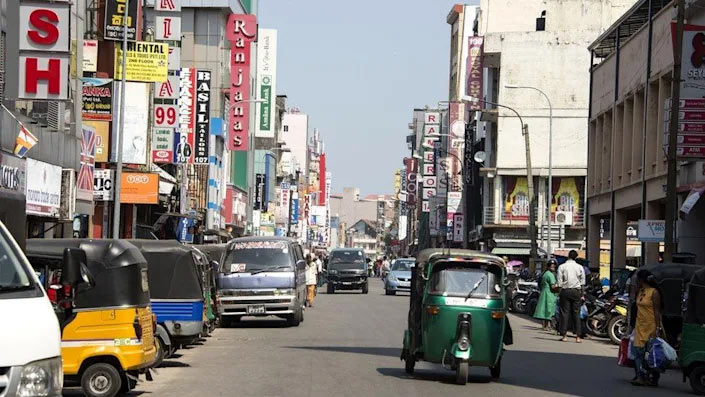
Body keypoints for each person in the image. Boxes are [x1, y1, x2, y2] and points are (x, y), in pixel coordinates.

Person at [631, 270, 664, 387]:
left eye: (638, 279)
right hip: (640, 325)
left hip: (651, 325)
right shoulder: (640, 291)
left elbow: (657, 311)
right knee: (638, 352)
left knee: (651, 353)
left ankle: (653, 377)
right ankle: (640, 376)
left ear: (642, 280)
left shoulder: (654, 293)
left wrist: (658, 327)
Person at [557, 250, 586, 342]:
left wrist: (559, 293)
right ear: (576, 257)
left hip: (565, 291)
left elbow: (559, 282)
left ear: (568, 256)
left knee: (564, 313)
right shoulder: (580, 267)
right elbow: (582, 283)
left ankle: (564, 336)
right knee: (576, 314)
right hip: (576, 291)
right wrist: (582, 295)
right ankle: (578, 337)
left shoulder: (562, 267)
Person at [534, 259, 559, 330]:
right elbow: (553, 286)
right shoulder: (550, 275)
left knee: (544, 309)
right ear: (548, 267)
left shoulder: (544, 273)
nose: (553, 268)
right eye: (552, 267)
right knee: (549, 310)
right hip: (550, 293)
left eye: (554, 267)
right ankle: (548, 325)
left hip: (544, 292)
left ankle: (544, 325)